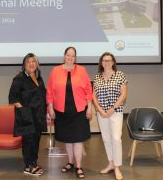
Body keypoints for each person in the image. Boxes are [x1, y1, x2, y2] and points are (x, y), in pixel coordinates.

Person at [47, 46, 93, 179]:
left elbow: (88, 91)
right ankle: (70, 162)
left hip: (79, 110)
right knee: (68, 139)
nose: (70, 58)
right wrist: (50, 107)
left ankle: (78, 166)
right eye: (68, 55)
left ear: (75, 58)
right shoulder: (55, 71)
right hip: (61, 110)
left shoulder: (82, 70)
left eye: (73, 56)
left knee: (78, 139)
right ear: (64, 56)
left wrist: (89, 107)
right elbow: (49, 90)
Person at [9, 53, 47, 176]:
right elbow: (12, 98)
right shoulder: (19, 78)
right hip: (27, 116)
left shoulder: (39, 78)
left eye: (33, 62)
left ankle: (34, 163)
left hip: (39, 116)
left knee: (36, 141)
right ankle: (28, 166)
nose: (31, 64)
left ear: (37, 64)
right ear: (24, 65)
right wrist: (24, 111)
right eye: (28, 62)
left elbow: (42, 96)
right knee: (28, 141)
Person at [93, 52, 128, 180]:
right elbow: (93, 96)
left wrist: (112, 109)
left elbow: (123, 94)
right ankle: (111, 164)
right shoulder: (97, 77)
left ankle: (117, 167)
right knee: (106, 139)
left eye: (109, 60)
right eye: (104, 60)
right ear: (101, 63)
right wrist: (100, 110)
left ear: (113, 62)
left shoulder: (120, 75)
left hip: (116, 112)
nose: (106, 62)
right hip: (101, 113)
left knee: (116, 138)